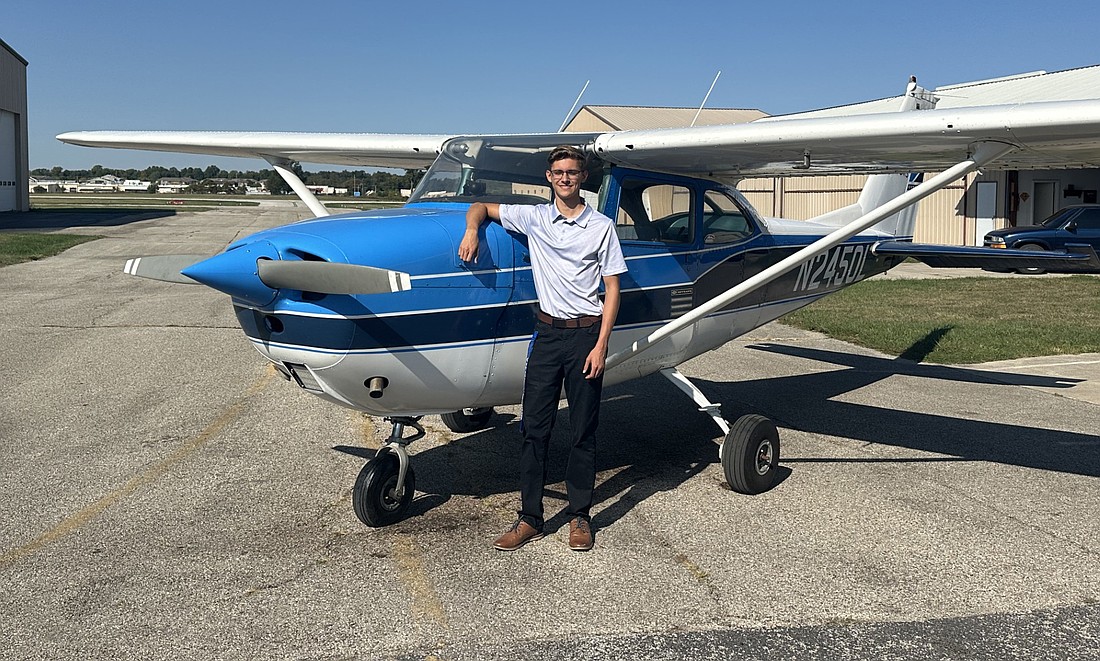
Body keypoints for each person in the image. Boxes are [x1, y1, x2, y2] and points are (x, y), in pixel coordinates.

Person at [458, 145, 627, 552]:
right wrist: (470, 230)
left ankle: (580, 516)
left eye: (572, 171)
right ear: (549, 178)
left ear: (582, 177)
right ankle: (530, 517)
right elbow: (481, 206)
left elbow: (613, 287)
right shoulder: (534, 217)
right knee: (534, 429)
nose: (565, 178)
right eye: (558, 172)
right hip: (547, 337)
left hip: (586, 336)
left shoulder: (602, 226)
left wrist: (602, 345)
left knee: (583, 430)